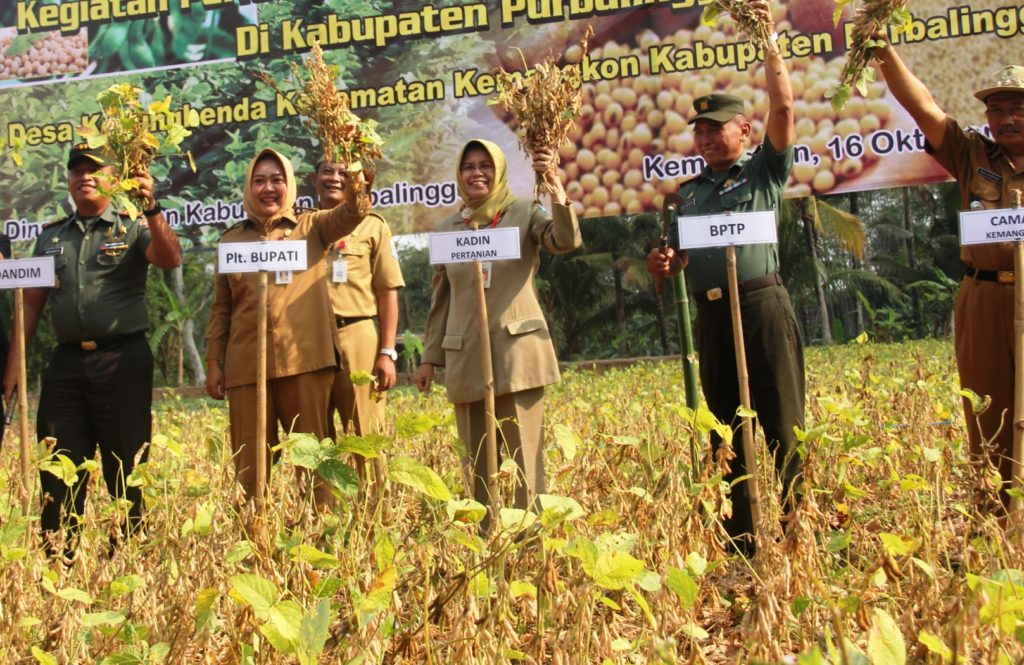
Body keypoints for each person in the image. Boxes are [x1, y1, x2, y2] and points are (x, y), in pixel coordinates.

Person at [646, 0, 803, 554]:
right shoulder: (687, 195)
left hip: (761, 307)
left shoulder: (763, 172)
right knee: (723, 429)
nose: (707, 138)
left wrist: (769, 42)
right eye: (700, 132)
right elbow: (676, 259)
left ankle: (796, 530)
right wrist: (665, 265)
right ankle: (740, 536)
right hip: (711, 313)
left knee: (782, 422)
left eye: (717, 129)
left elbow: (784, 106)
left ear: (745, 130)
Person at [2, 144, 181, 558]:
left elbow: (169, 258)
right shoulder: (51, 236)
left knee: (126, 464)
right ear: (68, 180)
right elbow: (30, 304)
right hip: (66, 364)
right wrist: (13, 371)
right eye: (77, 170)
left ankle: (128, 558)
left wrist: (152, 208)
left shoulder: (133, 225)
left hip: (121, 360)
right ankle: (59, 558)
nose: (84, 177)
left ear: (114, 178)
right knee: (58, 463)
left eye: (94, 169)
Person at [873, 44, 1024, 511]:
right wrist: (882, 48)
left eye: (1017, 107)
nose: (1005, 118)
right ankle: (994, 513)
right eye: (995, 110)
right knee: (986, 406)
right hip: (983, 295)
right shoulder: (971, 153)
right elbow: (921, 106)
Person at [413, 139, 581, 524]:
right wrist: (429, 359)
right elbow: (441, 300)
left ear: (500, 171)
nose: (477, 173)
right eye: (469, 166)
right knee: (477, 465)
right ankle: (485, 540)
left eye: (485, 165)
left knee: (526, 466)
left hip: (518, 355)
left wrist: (555, 187)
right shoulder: (447, 229)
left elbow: (565, 240)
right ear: (459, 174)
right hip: (465, 357)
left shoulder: (525, 212)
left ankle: (528, 541)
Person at [204, 148, 370, 509]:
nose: (268, 188)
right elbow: (222, 307)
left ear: (290, 185)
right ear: (248, 187)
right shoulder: (231, 241)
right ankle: (255, 533)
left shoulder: (313, 227)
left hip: (305, 363)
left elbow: (354, 212)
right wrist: (214, 361)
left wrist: (354, 166)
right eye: (259, 181)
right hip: (246, 369)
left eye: (277, 180)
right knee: (250, 468)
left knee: (314, 465)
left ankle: (321, 532)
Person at [311, 161, 405, 446]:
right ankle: (319, 481)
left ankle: (373, 480)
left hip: (357, 335)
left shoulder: (373, 225)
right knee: (314, 438)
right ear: (314, 179)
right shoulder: (300, 226)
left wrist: (387, 353)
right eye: (328, 171)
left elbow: (387, 291)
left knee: (366, 434)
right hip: (309, 340)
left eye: (344, 173)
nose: (335, 178)